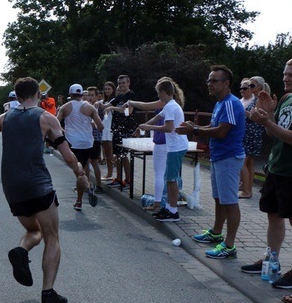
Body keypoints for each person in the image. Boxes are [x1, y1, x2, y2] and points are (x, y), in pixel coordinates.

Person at [0, 76, 88, 303]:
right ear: (38, 94)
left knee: (33, 230)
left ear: (16, 96)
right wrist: (79, 172)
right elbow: (67, 154)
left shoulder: (5, 118)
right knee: (52, 236)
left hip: (13, 188)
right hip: (38, 185)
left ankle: (21, 250)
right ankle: (48, 294)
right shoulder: (45, 118)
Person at [242, 55, 292, 295]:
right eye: (284, 74)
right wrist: (266, 117)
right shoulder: (288, 99)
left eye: (291, 75)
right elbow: (275, 135)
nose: (285, 78)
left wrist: (267, 122)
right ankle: (272, 260)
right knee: (273, 215)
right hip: (277, 167)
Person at [179, 65, 245, 258]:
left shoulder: (231, 103)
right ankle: (216, 233)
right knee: (219, 198)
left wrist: (195, 131)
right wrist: (196, 126)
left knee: (230, 202)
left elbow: (222, 131)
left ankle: (229, 245)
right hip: (220, 157)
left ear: (226, 83)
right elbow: (214, 125)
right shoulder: (220, 103)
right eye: (209, 80)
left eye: (214, 80)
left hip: (229, 157)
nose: (209, 84)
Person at [135, 78, 187, 222]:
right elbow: (158, 116)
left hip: (176, 147)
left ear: (164, 93)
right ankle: (169, 208)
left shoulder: (171, 107)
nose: (158, 96)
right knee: (169, 179)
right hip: (174, 146)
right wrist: (144, 125)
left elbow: (169, 128)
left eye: (159, 93)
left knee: (171, 179)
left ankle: (173, 211)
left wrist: (149, 128)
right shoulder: (170, 105)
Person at [57, 83, 103, 211]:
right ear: (82, 94)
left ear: (71, 94)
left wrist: (63, 131)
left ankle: (83, 194)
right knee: (83, 167)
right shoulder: (90, 108)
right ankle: (82, 194)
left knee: (78, 170)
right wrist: (91, 123)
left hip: (73, 142)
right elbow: (101, 126)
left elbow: (55, 123)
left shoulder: (65, 107)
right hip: (88, 142)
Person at [239, 76, 270, 199]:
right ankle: (248, 188)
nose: (249, 88)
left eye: (252, 85)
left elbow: (255, 116)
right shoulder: (257, 99)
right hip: (252, 132)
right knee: (250, 162)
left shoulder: (259, 99)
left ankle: (246, 191)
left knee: (243, 162)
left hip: (251, 132)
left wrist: (241, 111)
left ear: (259, 87)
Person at [104, 75, 137, 188]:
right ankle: (118, 178)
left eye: (123, 83)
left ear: (128, 83)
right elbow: (107, 105)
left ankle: (128, 180)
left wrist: (112, 108)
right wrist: (97, 104)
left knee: (123, 154)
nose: (121, 85)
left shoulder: (130, 95)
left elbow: (128, 110)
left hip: (126, 128)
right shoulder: (119, 97)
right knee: (117, 154)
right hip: (117, 127)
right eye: (119, 83)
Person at [85, 86, 104, 194]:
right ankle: (86, 185)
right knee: (86, 162)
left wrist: (94, 124)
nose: (90, 97)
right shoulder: (87, 107)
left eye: (92, 95)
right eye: (89, 95)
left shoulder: (98, 107)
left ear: (97, 96)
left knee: (94, 161)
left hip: (95, 138)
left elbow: (100, 123)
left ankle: (99, 185)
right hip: (87, 138)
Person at [98, 82, 116, 177]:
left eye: (109, 89)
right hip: (104, 127)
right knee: (106, 151)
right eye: (106, 89)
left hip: (110, 127)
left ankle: (110, 173)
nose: (107, 91)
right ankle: (109, 173)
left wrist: (98, 103)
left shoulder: (114, 100)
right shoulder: (103, 101)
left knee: (110, 152)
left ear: (113, 90)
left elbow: (105, 106)